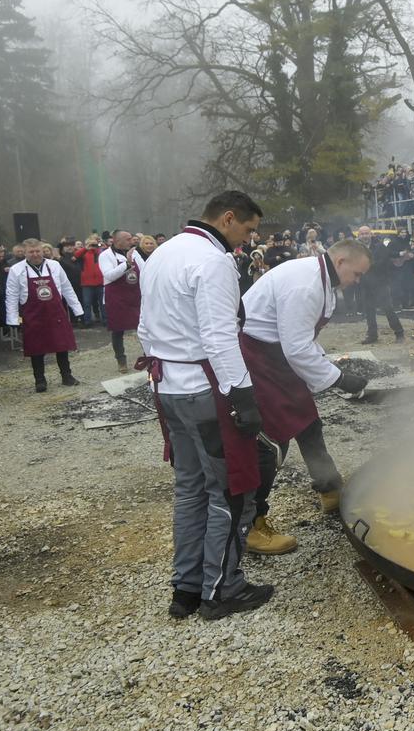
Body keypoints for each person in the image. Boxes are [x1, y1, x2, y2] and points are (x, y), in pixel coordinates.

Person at [138, 192, 269, 621]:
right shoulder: (213, 261)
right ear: (227, 218)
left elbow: (143, 325)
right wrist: (243, 396)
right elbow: (218, 336)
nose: (248, 240)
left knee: (189, 490)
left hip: (169, 388)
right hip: (204, 390)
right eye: (247, 230)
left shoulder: (162, 252)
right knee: (231, 493)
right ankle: (222, 589)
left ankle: (186, 589)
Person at [240, 240, 373, 555]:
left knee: (308, 423)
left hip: (277, 358)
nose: (358, 280)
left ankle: (330, 489)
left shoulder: (322, 277)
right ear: (340, 261)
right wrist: (339, 379)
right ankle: (250, 524)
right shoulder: (306, 285)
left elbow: (301, 340)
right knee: (271, 442)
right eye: (357, 273)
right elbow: (297, 348)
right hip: (259, 359)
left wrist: (327, 366)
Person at [5, 239, 83, 392]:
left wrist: (77, 309)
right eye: (31, 252)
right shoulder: (16, 269)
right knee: (36, 348)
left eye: (37, 251)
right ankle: (40, 380)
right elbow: (12, 295)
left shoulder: (54, 265)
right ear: (25, 253)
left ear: (42, 250)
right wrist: (12, 318)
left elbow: (67, 287)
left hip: (56, 312)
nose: (35, 254)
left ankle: (67, 375)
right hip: (33, 314)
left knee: (61, 345)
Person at [99, 230, 145, 373]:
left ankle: (148, 356)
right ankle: (121, 360)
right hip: (116, 298)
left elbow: (145, 271)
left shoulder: (135, 253)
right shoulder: (105, 255)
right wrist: (127, 264)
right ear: (117, 241)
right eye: (128, 239)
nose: (132, 241)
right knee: (118, 330)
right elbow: (109, 275)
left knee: (144, 328)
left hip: (135, 296)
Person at [356, 226, 406, 344]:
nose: (364, 236)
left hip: (380, 283)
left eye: (366, 233)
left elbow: (383, 262)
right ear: (358, 236)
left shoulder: (379, 246)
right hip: (365, 284)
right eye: (362, 234)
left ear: (371, 234)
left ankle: (399, 333)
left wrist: (365, 266)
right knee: (369, 311)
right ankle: (372, 335)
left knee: (388, 309)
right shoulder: (357, 249)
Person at [74, 237, 106, 327]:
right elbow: (76, 255)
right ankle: (87, 321)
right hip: (87, 283)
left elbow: (107, 253)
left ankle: (105, 320)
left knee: (103, 303)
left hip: (100, 282)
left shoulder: (99, 252)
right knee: (87, 303)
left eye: (94, 244)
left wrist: (101, 246)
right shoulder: (83, 253)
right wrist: (86, 248)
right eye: (91, 244)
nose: (93, 246)